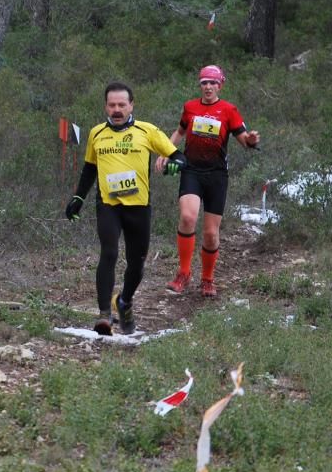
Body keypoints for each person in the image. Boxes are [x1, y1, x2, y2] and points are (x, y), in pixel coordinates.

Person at [65, 81, 186, 336]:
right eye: (112, 105)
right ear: (105, 106)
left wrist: (175, 165)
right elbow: (90, 168)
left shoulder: (147, 131)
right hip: (108, 205)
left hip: (139, 207)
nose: (117, 109)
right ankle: (103, 315)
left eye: (122, 104)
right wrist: (78, 197)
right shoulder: (97, 133)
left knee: (136, 263)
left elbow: (178, 156)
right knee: (108, 253)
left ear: (131, 105)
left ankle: (124, 301)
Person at [156, 65, 260, 298]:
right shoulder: (190, 107)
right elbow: (180, 132)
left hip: (216, 175)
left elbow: (244, 141)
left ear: (220, 85)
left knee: (211, 234)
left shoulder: (228, 110)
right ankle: (183, 273)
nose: (208, 87)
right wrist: (166, 151)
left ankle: (207, 278)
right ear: (200, 85)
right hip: (191, 170)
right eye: (204, 82)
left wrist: (251, 140)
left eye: (213, 83)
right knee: (187, 217)